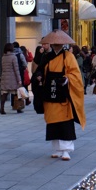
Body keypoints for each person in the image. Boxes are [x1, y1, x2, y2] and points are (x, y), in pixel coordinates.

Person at [36, 30, 86, 161]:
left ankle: (66, 150)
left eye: (59, 44)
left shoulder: (68, 56)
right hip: (50, 92)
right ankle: (57, 149)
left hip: (63, 92)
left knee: (65, 122)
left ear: (63, 44)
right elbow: (40, 69)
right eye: (54, 44)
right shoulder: (46, 57)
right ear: (51, 44)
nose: (56, 46)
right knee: (52, 122)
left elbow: (75, 73)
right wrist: (39, 75)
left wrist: (67, 78)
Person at [0, 43, 22, 114]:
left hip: (4, 77)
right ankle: (18, 108)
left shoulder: (3, 57)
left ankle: (2, 108)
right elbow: (16, 69)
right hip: (13, 78)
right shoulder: (14, 57)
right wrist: (19, 80)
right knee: (16, 93)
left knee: (4, 94)